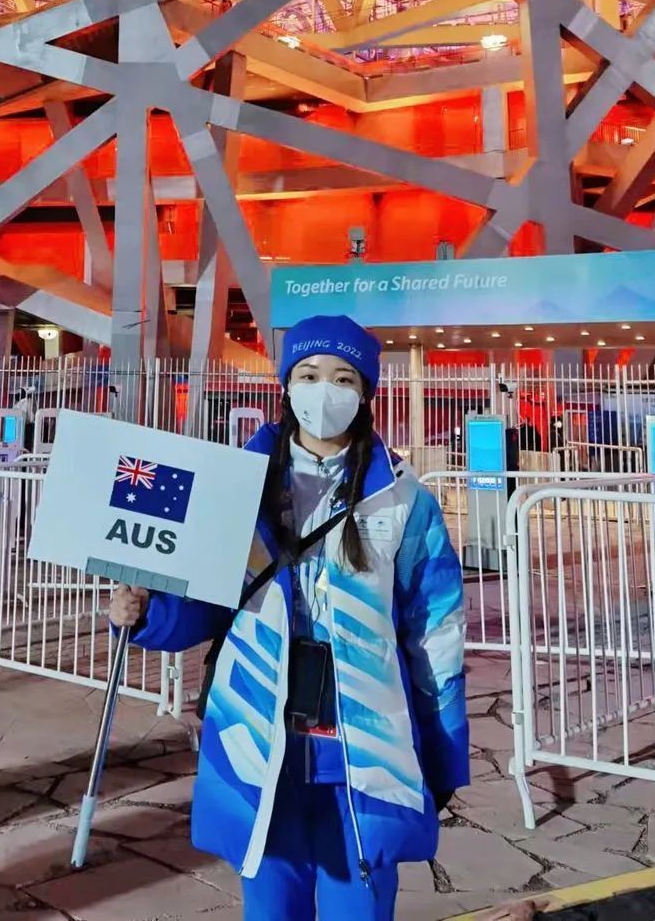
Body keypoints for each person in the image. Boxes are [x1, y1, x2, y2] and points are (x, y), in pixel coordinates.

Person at [110, 314, 469, 920]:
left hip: (364, 753)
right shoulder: (237, 486)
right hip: (257, 738)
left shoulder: (405, 500)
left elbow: (437, 634)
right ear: (286, 385)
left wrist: (443, 753)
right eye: (308, 374)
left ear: (365, 392)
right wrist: (147, 613)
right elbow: (203, 598)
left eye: (343, 378)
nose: (324, 390)